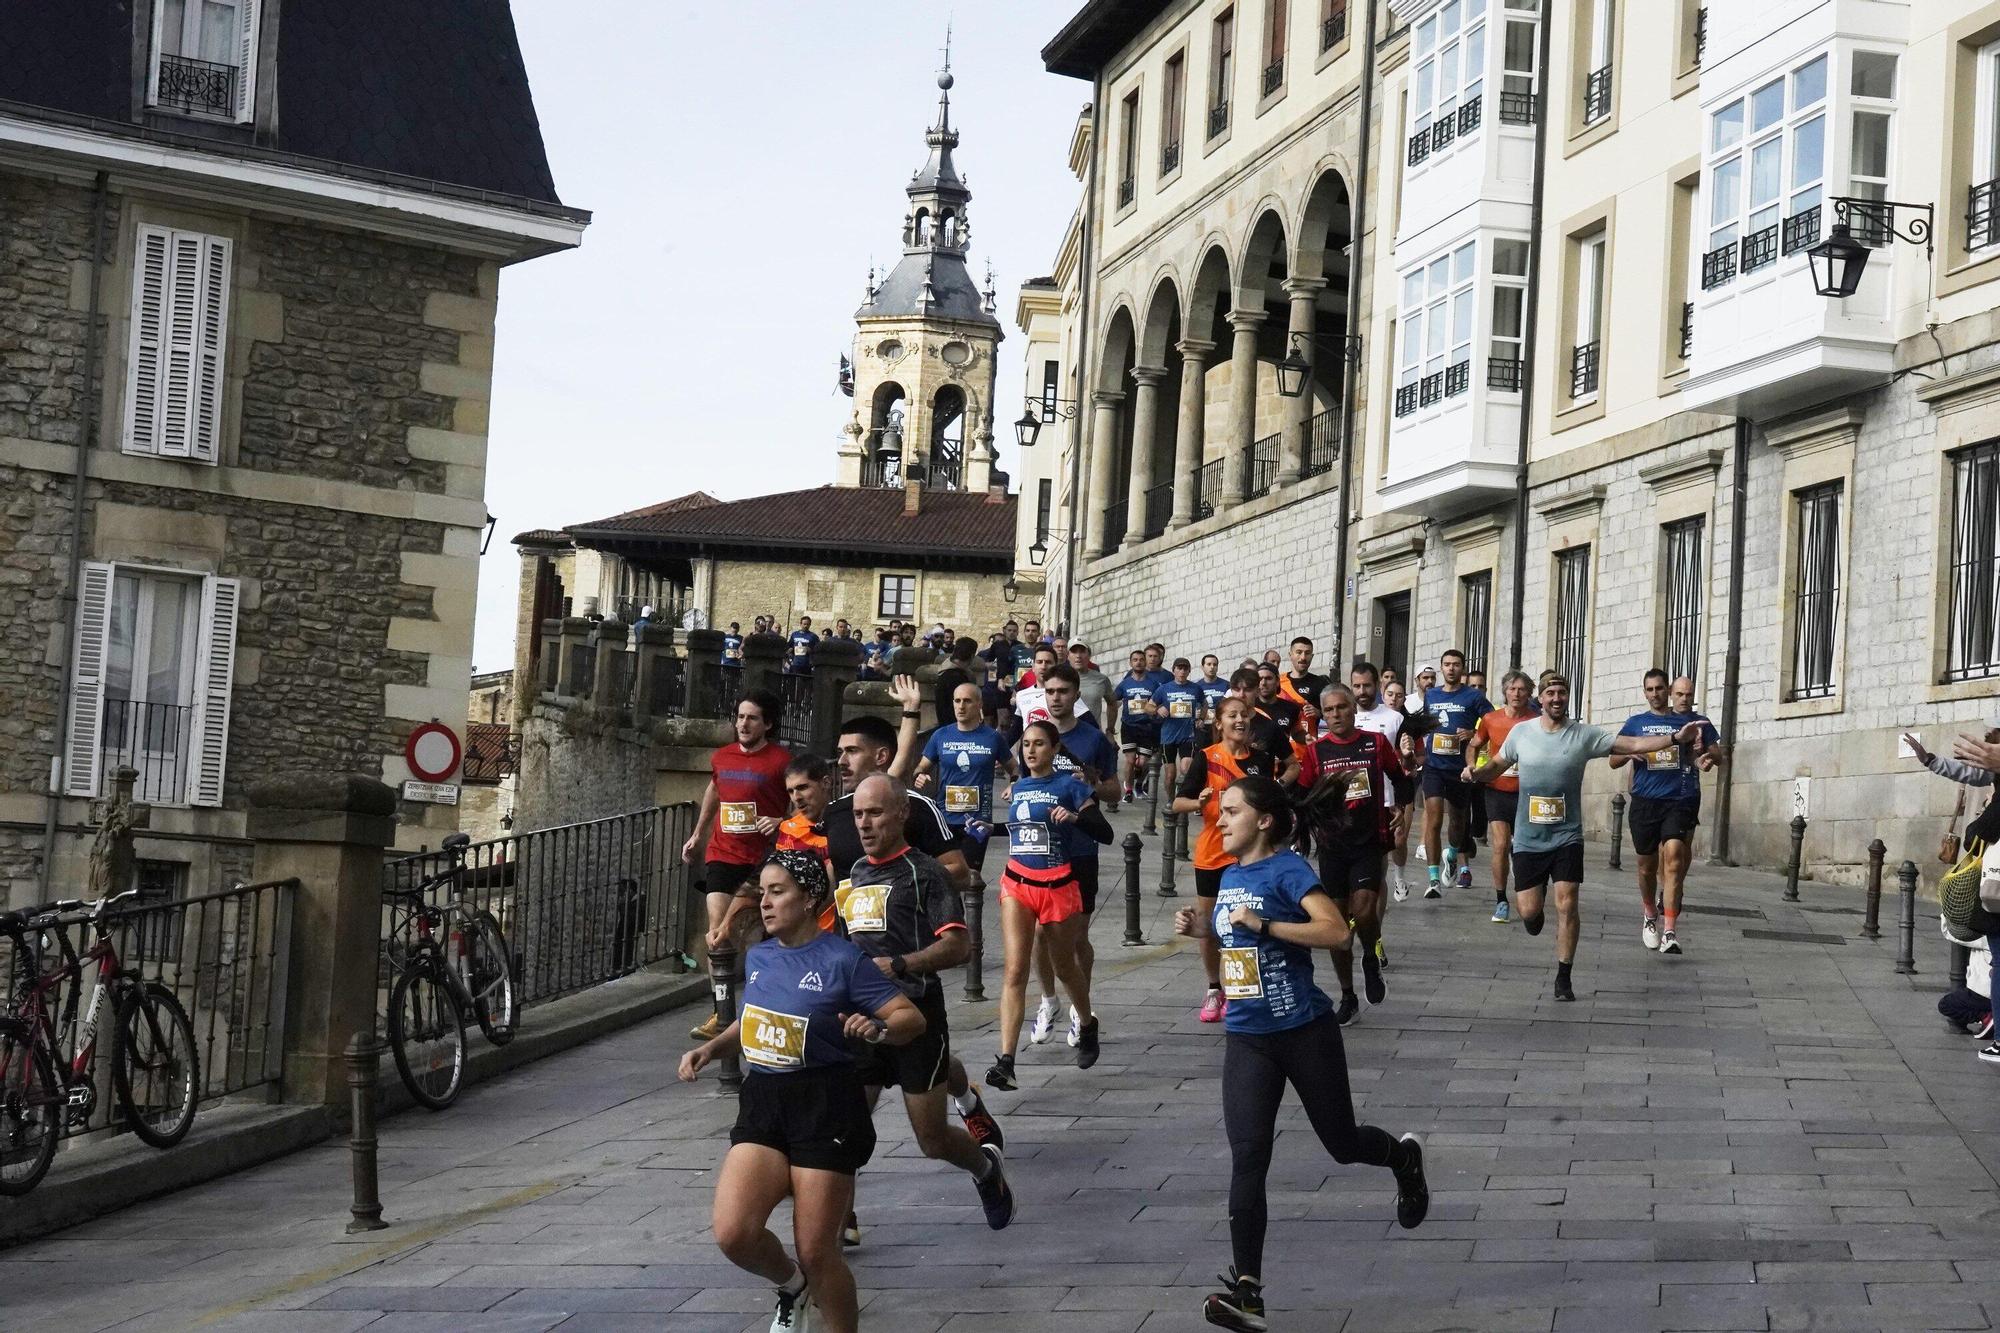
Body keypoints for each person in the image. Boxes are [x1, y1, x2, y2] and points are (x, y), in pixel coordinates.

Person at [1172, 777, 1429, 1331]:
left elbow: (1337, 932)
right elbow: (1236, 942)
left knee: (1342, 1144)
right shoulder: (1228, 874)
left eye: (1231, 811)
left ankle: (1403, 1160)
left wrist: (1265, 924)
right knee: (1249, 1158)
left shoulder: (1288, 869)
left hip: (1304, 1032)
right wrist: (1203, 929)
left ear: (1263, 820)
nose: (1220, 820)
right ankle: (1248, 1293)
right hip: (1247, 1037)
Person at [679, 851, 922, 1333]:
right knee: (733, 1232)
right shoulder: (762, 954)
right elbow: (756, 1019)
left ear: (809, 899)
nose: (764, 904)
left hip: (825, 1103)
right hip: (766, 1097)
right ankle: (792, 1286)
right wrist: (715, 1049)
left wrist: (874, 1027)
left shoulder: (843, 959)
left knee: (816, 1249)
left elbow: (909, 1019)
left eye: (777, 892)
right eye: (762, 892)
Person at [1464, 674, 1705, 1000]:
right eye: (1550, 693)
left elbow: (1632, 745)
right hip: (1529, 838)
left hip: (1566, 836)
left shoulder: (1582, 734)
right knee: (1529, 912)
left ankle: (1564, 977)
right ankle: (1533, 917)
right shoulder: (1522, 733)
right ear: (1542, 699)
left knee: (1567, 903)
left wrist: (1675, 739)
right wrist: (1475, 774)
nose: (1556, 699)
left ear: (1567, 698)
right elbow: (1496, 765)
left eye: (1562, 693)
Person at [844, 775, 1015, 1228]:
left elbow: (959, 948)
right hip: (862, 1021)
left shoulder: (927, 873)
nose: (864, 823)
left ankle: (985, 1168)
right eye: (859, 814)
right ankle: (837, 1224)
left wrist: (899, 964)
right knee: (845, 1130)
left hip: (917, 1017)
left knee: (932, 1139)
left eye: (875, 813)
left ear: (901, 815)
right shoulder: (857, 873)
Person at [988, 718, 1110, 1086]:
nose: (1030, 750)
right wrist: (989, 829)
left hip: (1058, 885)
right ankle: (1006, 1061)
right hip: (1017, 883)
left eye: (1039, 744)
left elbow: (1105, 833)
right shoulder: (1019, 787)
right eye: (1026, 744)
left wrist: (1074, 817)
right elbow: (1022, 832)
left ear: (1055, 749)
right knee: (1015, 970)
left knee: (1064, 967)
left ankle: (1087, 1024)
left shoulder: (1069, 786)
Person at [1296, 683, 1412, 1025]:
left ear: (1353, 709)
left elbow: (1401, 778)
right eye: (1329, 710)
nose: (1336, 715)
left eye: (1341, 708)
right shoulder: (1316, 752)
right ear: (1323, 714)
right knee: (1337, 928)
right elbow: (1302, 798)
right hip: (1332, 847)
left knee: (1363, 912)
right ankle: (1347, 995)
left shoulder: (1374, 744)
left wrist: (1401, 810)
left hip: (1368, 842)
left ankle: (1371, 958)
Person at [1022, 663, 1121, 1048]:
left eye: (1064, 691)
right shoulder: (1032, 736)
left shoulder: (1093, 740)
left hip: (1079, 851)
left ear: (1077, 694)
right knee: (1039, 935)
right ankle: (1048, 1001)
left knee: (1076, 937)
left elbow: (1115, 792)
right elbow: (1024, 780)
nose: (1057, 698)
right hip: (1039, 853)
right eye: (1050, 691)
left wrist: (1093, 784)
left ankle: (1082, 1012)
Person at [683, 691, 790, 1043]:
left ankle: (762, 1007)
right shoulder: (722, 756)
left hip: (763, 861)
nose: (744, 724)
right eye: (740, 717)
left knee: (757, 939)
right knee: (719, 935)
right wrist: (698, 835)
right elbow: (715, 789)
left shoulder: (780, 761)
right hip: (723, 853)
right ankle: (723, 1011)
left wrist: (780, 820)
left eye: (752, 718)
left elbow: (802, 803)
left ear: (767, 724)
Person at [1174, 696, 1281, 1023]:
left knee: (1243, 922)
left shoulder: (1262, 761)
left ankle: (1240, 990)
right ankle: (1213, 988)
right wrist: (1199, 801)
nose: (1240, 720)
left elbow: (1270, 805)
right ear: (1218, 723)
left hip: (1249, 855)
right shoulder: (1206, 758)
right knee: (1208, 926)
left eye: (1244, 715)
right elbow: (1177, 802)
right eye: (1232, 716)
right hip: (1212, 852)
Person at [1610, 671, 1722, 954]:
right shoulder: (1636, 723)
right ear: (1645, 693)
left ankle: (1669, 931)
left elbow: (1717, 755)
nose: (1656, 693)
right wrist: (1629, 753)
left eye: (1660, 688)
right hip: (1646, 801)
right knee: (1647, 867)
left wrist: (1706, 758)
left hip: (1680, 798)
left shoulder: (1693, 722)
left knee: (1673, 856)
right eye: (1650, 689)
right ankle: (1650, 914)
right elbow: (1613, 759)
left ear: (1667, 690)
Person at [917, 680, 1015, 876]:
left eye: (967, 701)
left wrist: (1013, 783)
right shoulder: (941, 735)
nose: (961, 706)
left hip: (977, 821)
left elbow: (1014, 768)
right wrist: (920, 775)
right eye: (957, 701)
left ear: (979, 704)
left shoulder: (992, 738)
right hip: (945, 819)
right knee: (945, 875)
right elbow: (921, 766)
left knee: (971, 878)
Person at [1464, 671, 1539, 924]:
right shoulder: (1490, 719)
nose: (1516, 694)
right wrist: (1471, 767)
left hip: (1527, 792)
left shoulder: (1537, 720)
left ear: (1530, 693)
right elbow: (1473, 744)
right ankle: (1501, 900)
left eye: (1521, 689)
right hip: (1496, 790)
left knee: (1524, 847)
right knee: (1500, 844)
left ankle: (1526, 891)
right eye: (1512, 689)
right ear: (1504, 692)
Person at [1418, 649, 1490, 899]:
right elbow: (1426, 722)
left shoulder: (1472, 696)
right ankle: (1433, 878)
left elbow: (1491, 723)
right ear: (1441, 668)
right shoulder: (1432, 694)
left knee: (1458, 822)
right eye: (1447, 664)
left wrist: (1473, 735)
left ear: (1462, 668)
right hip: (1434, 766)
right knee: (1435, 818)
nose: (1451, 669)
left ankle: (1451, 853)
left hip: (1460, 769)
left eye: (1456, 665)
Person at [1113, 649, 1162, 802]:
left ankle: (1138, 783)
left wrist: (1156, 710)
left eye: (1141, 659)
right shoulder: (1125, 683)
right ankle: (1128, 790)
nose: (1138, 662)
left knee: (1142, 762)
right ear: (1131, 662)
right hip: (1128, 726)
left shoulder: (1153, 684)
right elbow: (1113, 699)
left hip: (1147, 727)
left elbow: (1159, 701)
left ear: (1145, 662)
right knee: (1130, 759)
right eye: (1135, 660)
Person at [1156, 657, 1204, 782]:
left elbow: (1205, 704)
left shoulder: (1196, 688)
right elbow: (1148, 706)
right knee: (1170, 776)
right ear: (1173, 671)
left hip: (1188, 736)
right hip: (1168, 736)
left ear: (1189, 671)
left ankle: (1182, 797)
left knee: (1186, 769)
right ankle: (1171, 800)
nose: (1182, 671)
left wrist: (1201, 719)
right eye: (1179, 668)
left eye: (1185, 669)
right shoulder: (1164, 689)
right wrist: (1157, 710)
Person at [1277, 636, 1328, 739]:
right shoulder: (1278, 682)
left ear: (1312, 656)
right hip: (1281, 749)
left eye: (1307, 653)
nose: (1303, 657)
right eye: (1299, 652)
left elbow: (1333, 714)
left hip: (1308, 748)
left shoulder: (1320, 683)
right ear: (1290, 655)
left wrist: (1319, 713)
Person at [933, 636, 981, 732]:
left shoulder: (944, 672)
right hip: (957, 729)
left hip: (945, 727)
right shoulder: (958, 678)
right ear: (972, 656)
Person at [1070, 642, 1114, 731]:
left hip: (1094, 733)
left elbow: (1112, 703)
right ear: (1068, 655)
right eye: (1074, 652)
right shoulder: (1059, 679)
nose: (1078, 656)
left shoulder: (1102, 679)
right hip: (1067, 736)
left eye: (1082, 652)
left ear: (1089, 655)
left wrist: (1110, 730)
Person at [1193, 653, 1230, 749]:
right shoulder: (1196, 687)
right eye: (1209, 664)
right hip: (1202, 729)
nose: (1212, 667)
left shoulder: (1226, 685)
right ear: (1202, 667)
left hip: (1220, 728)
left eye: (1215, 664)